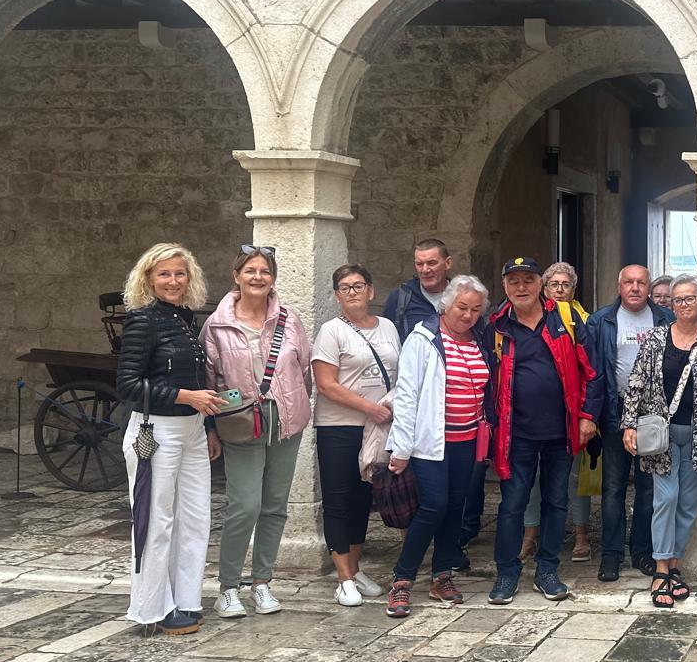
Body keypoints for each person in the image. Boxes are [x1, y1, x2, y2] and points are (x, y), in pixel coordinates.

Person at [202, 246, 313, 621]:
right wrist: (212, 428)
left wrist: (293, 405)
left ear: (273, 278)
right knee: (244, 506)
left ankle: (262, 581)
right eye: (250, 270)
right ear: (236, 276)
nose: (258, 277)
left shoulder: (289, 320)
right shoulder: (217, 326)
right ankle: (228, 587)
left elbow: (304, 370)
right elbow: (209, 381)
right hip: (240, 422)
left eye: (265, 271)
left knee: (275, 506)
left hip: (284, 421)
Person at [118, 244, 222, 635]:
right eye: (164, 274)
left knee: (195, 517)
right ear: (148, 278)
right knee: (156, 520)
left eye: (180, 273)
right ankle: (152, 608)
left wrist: (207, 426)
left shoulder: (184, 319)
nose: (173, 281)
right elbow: (128, 385)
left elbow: (195, 379)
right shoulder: (142, 320)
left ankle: (186, 599)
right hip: (156, 430)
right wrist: (185, 397)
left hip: (192, 429)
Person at [486, 256, 600, 605]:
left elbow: (592, 371)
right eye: (514, 281)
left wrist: (588, 416)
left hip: (560, 431)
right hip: (514, 434)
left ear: (540, 285)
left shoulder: (565, 320)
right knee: (512, 504)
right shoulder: (495, 325)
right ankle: (507, 573)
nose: (521, 287)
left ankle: (547, 570)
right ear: (504, 286)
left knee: (556, 501)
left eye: (528, 280)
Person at [385, 276, 491, 618]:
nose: (468, 315)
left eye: (475, 309)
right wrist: (401, 448)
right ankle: (402, 579)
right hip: (429, 442)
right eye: (462, 307)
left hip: (467, 441)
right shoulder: (423, 338)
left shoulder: (480, 339)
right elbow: (407, 394)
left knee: (456, 508)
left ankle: (442, 576)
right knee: (434, 505)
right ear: (446, 304)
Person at [621, 274, 697, 608]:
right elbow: (637, 382)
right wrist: (629, 425)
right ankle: (661, 568)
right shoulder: (656, 338)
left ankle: (675, 564)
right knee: (665, 499)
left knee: (688, 503)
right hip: (659, 435)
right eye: (678, 299)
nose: (683, 305)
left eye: (690, 298)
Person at [311, 264, 399, 608]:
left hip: (376, 427)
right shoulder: (331, 331)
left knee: (364, 498)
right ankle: (343, 578)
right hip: (339, 427)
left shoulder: (388, 327)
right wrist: (369, 407)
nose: (352, 292)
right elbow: (326, 384)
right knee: (339, 499)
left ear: (371, 291)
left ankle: (355, 568)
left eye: (358, 285)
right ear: (337, 295)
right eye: (345, 287)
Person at [586, 264, 672, 581]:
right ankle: (611, 555)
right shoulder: (600, 321)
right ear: (619, 286)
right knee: (613, 488)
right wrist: (589, 415)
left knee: (648, 488)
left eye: (641, 282)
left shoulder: (664, 319)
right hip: (615, 410)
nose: (635, 288)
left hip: (652, 414)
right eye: (629, 282)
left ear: (649, 287)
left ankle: (642, 552)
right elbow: (592, 371)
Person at [520, 262, 593, 561]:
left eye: (566, 284)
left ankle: (581, 534)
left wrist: (587, 413)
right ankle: (530, 534)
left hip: (569, 413)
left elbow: (590, 368)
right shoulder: (530, 317)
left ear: (574, 289)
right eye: (554, 284)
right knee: (532, 476)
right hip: (532, 415)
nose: (560, 290)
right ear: (544, 287)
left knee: (575, 477)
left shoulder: (584, 320)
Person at [382, 238, 453, 341]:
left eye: (431, 263)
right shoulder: (400, 297)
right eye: (419, 264)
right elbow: (387, 341)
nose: (425, 270)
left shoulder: (461, 297)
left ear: (448, 263)